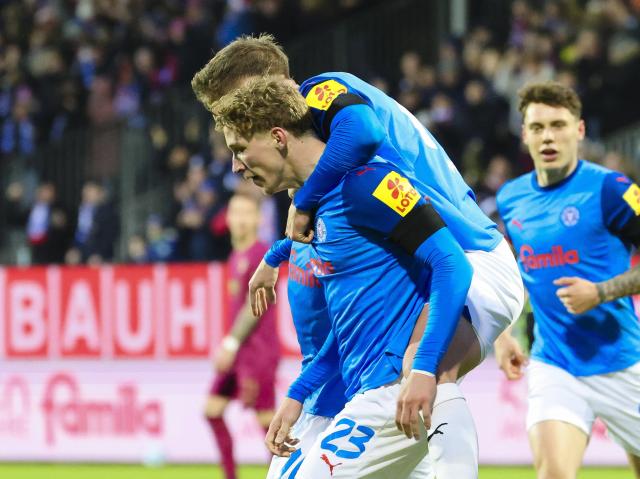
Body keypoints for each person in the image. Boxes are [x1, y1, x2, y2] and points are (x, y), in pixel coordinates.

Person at [193, 35, 524, 478]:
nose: (229, 124)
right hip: (434, 267)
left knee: (423, 370)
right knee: (409, 398)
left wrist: (305, 201)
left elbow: (364, 135)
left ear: (270, 86)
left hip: (468, 250)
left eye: (232, 106)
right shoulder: (331, 182)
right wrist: (280, 250)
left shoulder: (323, 97)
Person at [495, 81, 640, 479]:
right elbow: (513, 275)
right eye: (537, 127)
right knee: (554, 474)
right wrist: (502, 333)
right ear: (524, 135)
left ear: (579, 131)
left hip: (622, 364)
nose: (548, 136)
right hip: (554, 364)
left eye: (558, 125)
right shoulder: (510, 198)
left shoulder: (611, 189)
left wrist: (601, 292)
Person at [263, 235, 433, 478]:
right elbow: (296, 239)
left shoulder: (352, 243)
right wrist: (270, 259)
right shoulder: (316, 225)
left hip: (341, 402)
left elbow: (342, 342)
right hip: (334, 395)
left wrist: (297, 393)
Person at [204, 192, 280, 479]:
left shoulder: (261, 254)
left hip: (257, 353)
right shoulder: (236, 256)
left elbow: (255, 305)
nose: (241, 219)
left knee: (268, 423)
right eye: (235, 212)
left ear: (259, 219)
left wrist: (231, 342)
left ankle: (286, 474)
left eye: (247, 213)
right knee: (212, 410)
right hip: (239, 354)